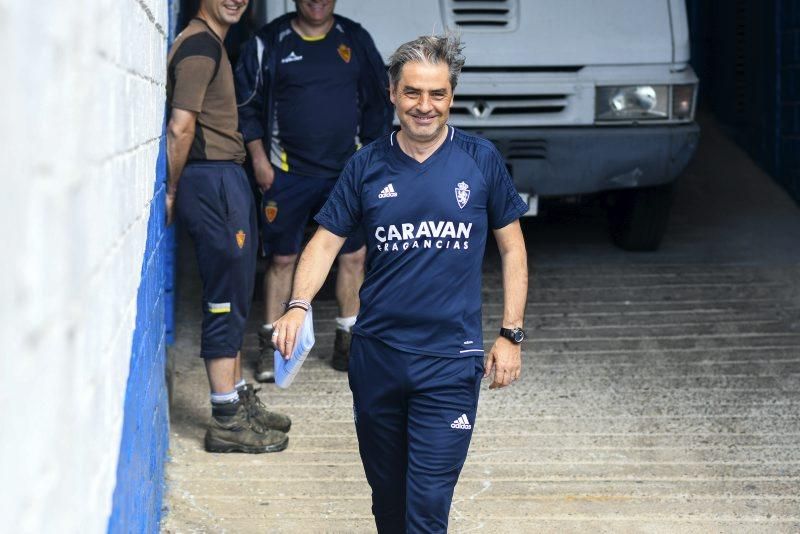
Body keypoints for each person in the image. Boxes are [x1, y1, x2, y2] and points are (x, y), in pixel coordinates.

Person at [272, 34, 529, 532]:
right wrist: (299, 303)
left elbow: (512, 247)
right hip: (378, 358)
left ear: (452, 96)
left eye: (436, 94)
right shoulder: (365, 165)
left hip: (449, 364)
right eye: (412, 93)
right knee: (388, 505)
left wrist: (510, 333)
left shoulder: (480, 160)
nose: (424, 106)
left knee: (428, 506)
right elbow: (325, 242)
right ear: (392, 93)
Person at [234, 0, 393, 380]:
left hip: (346, 174)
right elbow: (246, 106)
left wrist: (371, 161)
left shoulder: (353, 39)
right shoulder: (268, 41)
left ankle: (347, 340)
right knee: (282, 261)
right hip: (285, 175)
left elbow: (379, 102)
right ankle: (273, 346)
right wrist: (258, 158)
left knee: (353, 257)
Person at [166, 0, 291, 453]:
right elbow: (181, 128)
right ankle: (225, 420)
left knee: (236, 295)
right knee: (224, 298)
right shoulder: (200, 46)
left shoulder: (212, 41)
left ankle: (236, 400)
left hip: (222, 178)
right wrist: (173, 189)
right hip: (211, 179)